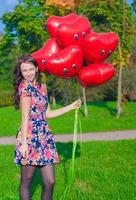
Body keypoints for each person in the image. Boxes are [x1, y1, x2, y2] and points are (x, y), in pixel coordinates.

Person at [13, 55, 81, 200]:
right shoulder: (24, 87)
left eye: (31, 69)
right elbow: (25, 117)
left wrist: (71, 106)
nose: (28, 73)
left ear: (37, 69)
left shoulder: (42, 87)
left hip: (45, 138)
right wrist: (24, 143)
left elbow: (48, 114)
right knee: (27, 181)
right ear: (21, 72)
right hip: (30, 138)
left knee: (50, 182)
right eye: (24, 70)